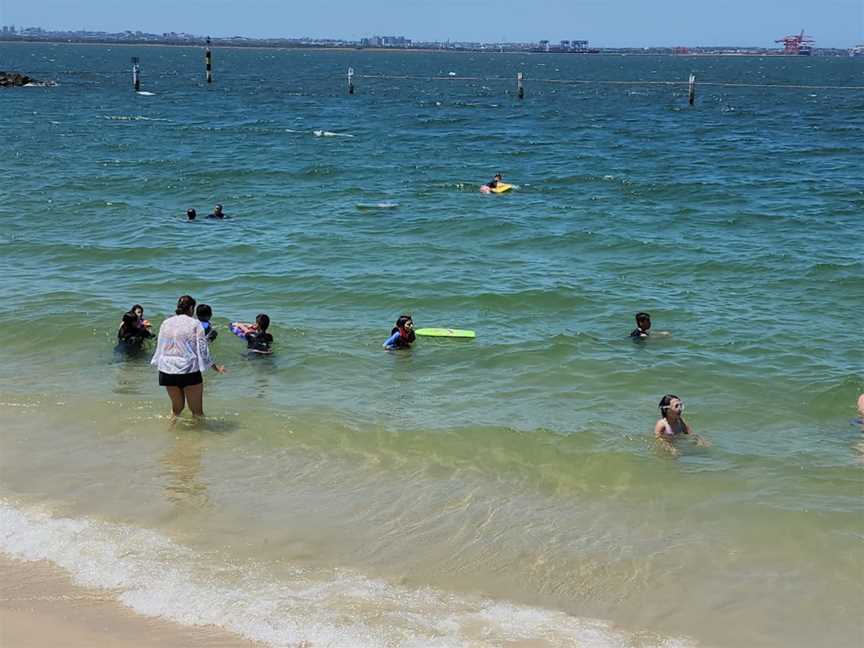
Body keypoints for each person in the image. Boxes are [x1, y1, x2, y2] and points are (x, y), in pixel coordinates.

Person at [151, 295, 225, 418]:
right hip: (188, 371)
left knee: (176, 410)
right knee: (197, 412)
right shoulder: (195, 324)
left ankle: (170, 431)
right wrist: (215, 367)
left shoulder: (166, 322)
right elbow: (203, 349)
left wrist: (159, 364)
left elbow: (161, 346)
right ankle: (199, 436)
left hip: (166, 371)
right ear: (191, 308)